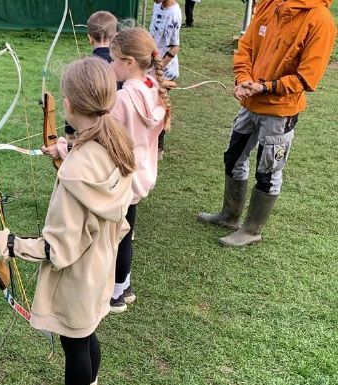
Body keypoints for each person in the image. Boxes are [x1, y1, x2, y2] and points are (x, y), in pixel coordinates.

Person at [0, 57, 135, 385]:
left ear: (69, 104)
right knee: (86, 335)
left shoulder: (81, 167)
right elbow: (94, 202)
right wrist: (65, 156)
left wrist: (1, 243)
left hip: (77, 274)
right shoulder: (114, 143)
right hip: (100, 265)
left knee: (75, 343)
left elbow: (57, 248)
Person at [197, 0, 336, 247]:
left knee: (268, 170)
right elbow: (247, 46)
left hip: (280, 111)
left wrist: (265, 87)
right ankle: (229, 215)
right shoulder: (268, 4)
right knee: (233, 156)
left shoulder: (320, 20)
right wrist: (243, 78)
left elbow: (307, 77)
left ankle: (252, 230)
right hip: (250, 104)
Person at [107, 28, 170, 313]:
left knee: (117, 237)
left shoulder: (124, 98)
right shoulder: (152, 86)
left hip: (122, 177)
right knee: (126, 232)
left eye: (114, 60)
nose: (111, 65)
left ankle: (115, 295)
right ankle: (125, 286)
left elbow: (107, 138)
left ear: (130, 62)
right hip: (141, 173)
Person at [65, 11, 119, 143]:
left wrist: (70, 134)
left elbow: (75, 99)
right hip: (117, 128)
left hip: (91, 132)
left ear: (90, 38)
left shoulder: (86, 69)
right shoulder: (122, 66)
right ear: (115, 37)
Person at [149, 0, 181, 156]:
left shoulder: (173, 14)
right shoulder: (158, 5)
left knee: (159, 107)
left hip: (164, 71)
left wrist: (159, 68)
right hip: (151, 66)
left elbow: (174, 47)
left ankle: (158, 148)